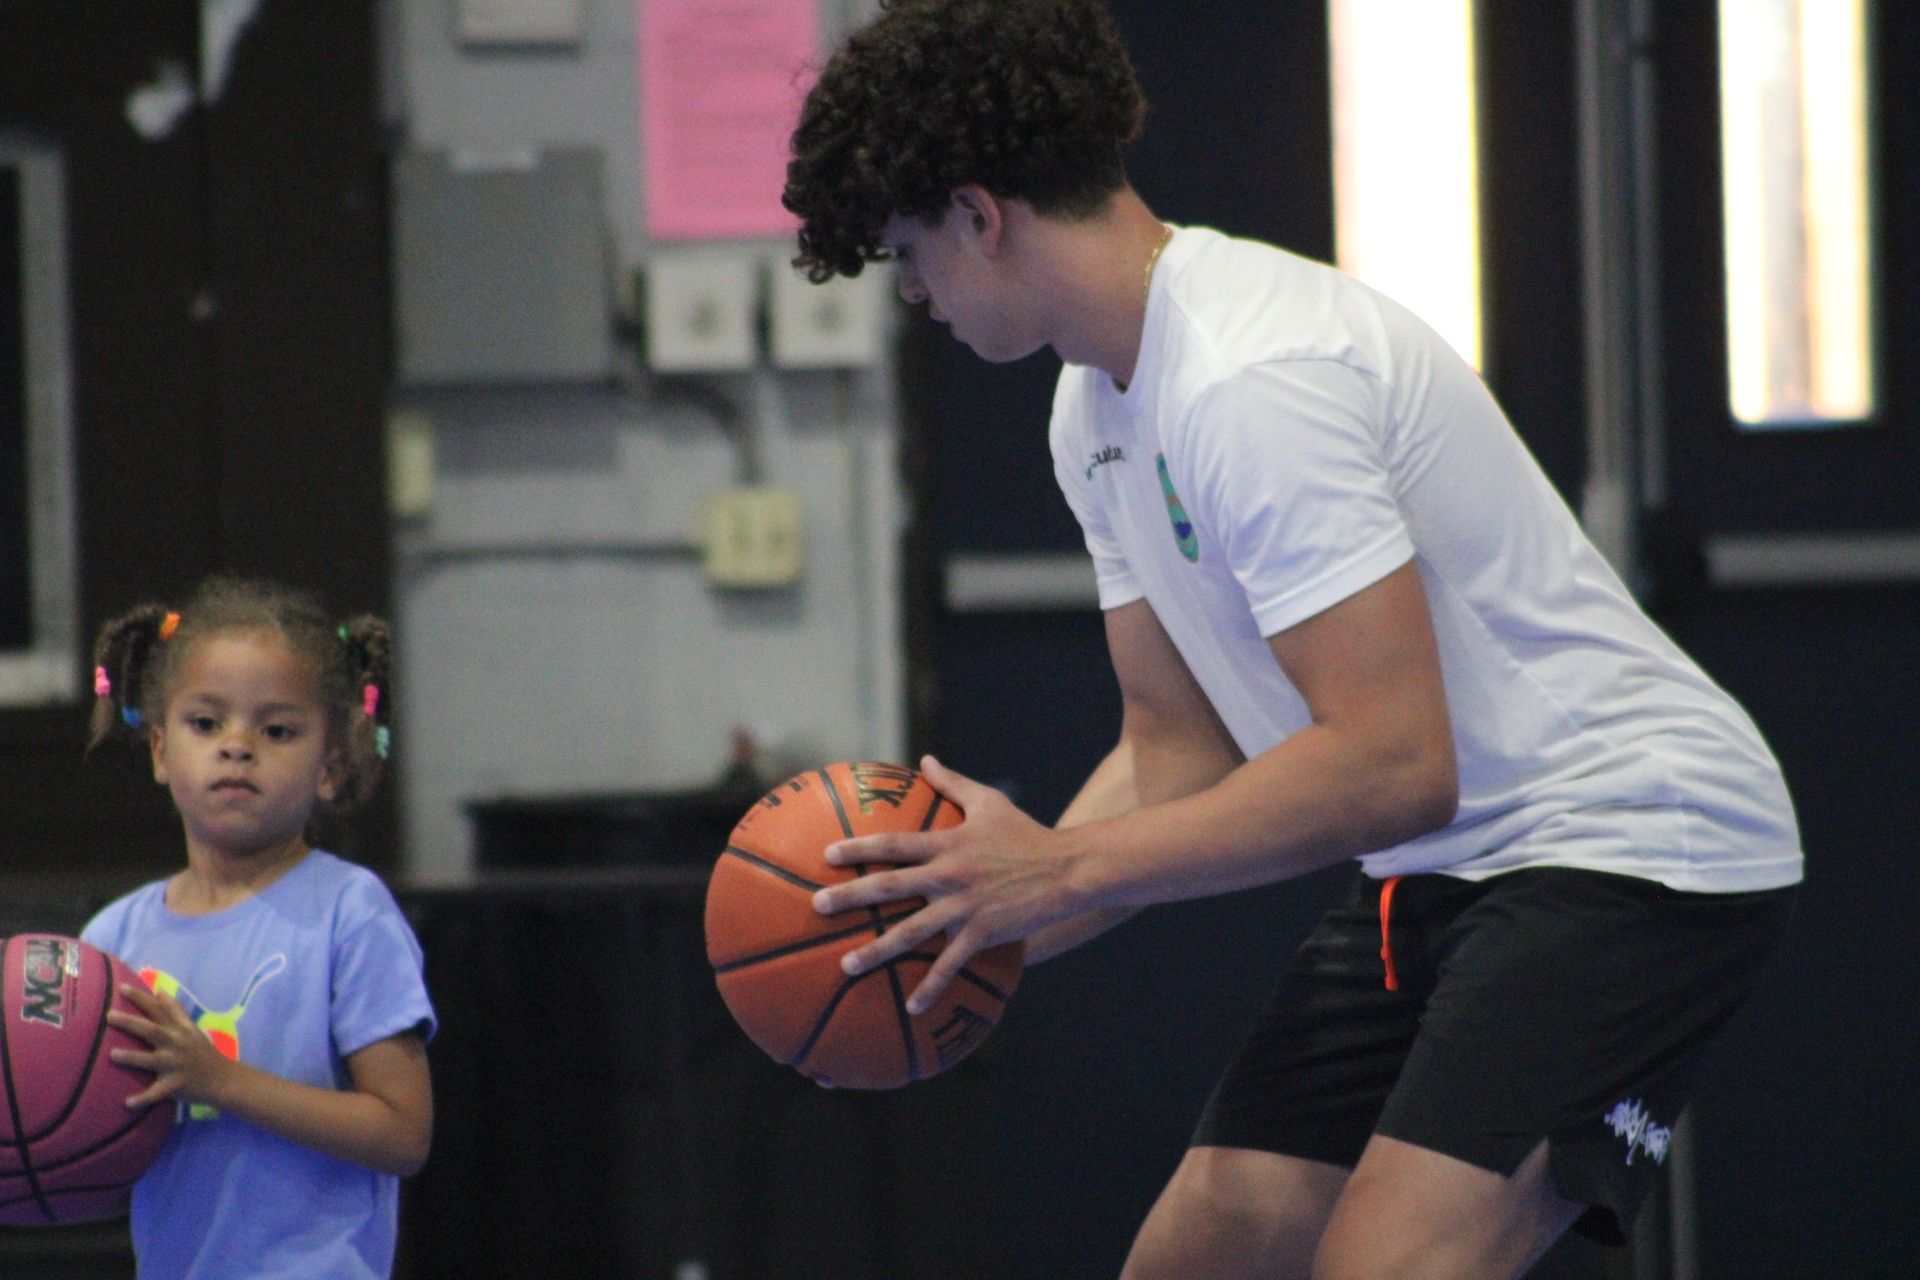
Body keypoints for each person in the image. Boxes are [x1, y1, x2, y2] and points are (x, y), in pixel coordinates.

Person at [782, 3, 1802, 1277]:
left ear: (982, 213)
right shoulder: (1090, 405)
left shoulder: (1251, 376)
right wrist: (962, 932)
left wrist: (1060, 874)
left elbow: (1390, 762)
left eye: (908, 250)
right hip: (1448, 861)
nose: (915, 291)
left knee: (1379, 1266)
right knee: (1198, 1258)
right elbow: (1176, 748)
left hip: (1630, 841)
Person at [82, 576, 435, 1280]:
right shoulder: (113, 940)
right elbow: (81, 1133)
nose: (237, 747)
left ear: (331, 767)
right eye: (206, 723)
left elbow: (403, 1132)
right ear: (159, 750)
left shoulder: (349, 911)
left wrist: (221, 1081)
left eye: (276, 730)